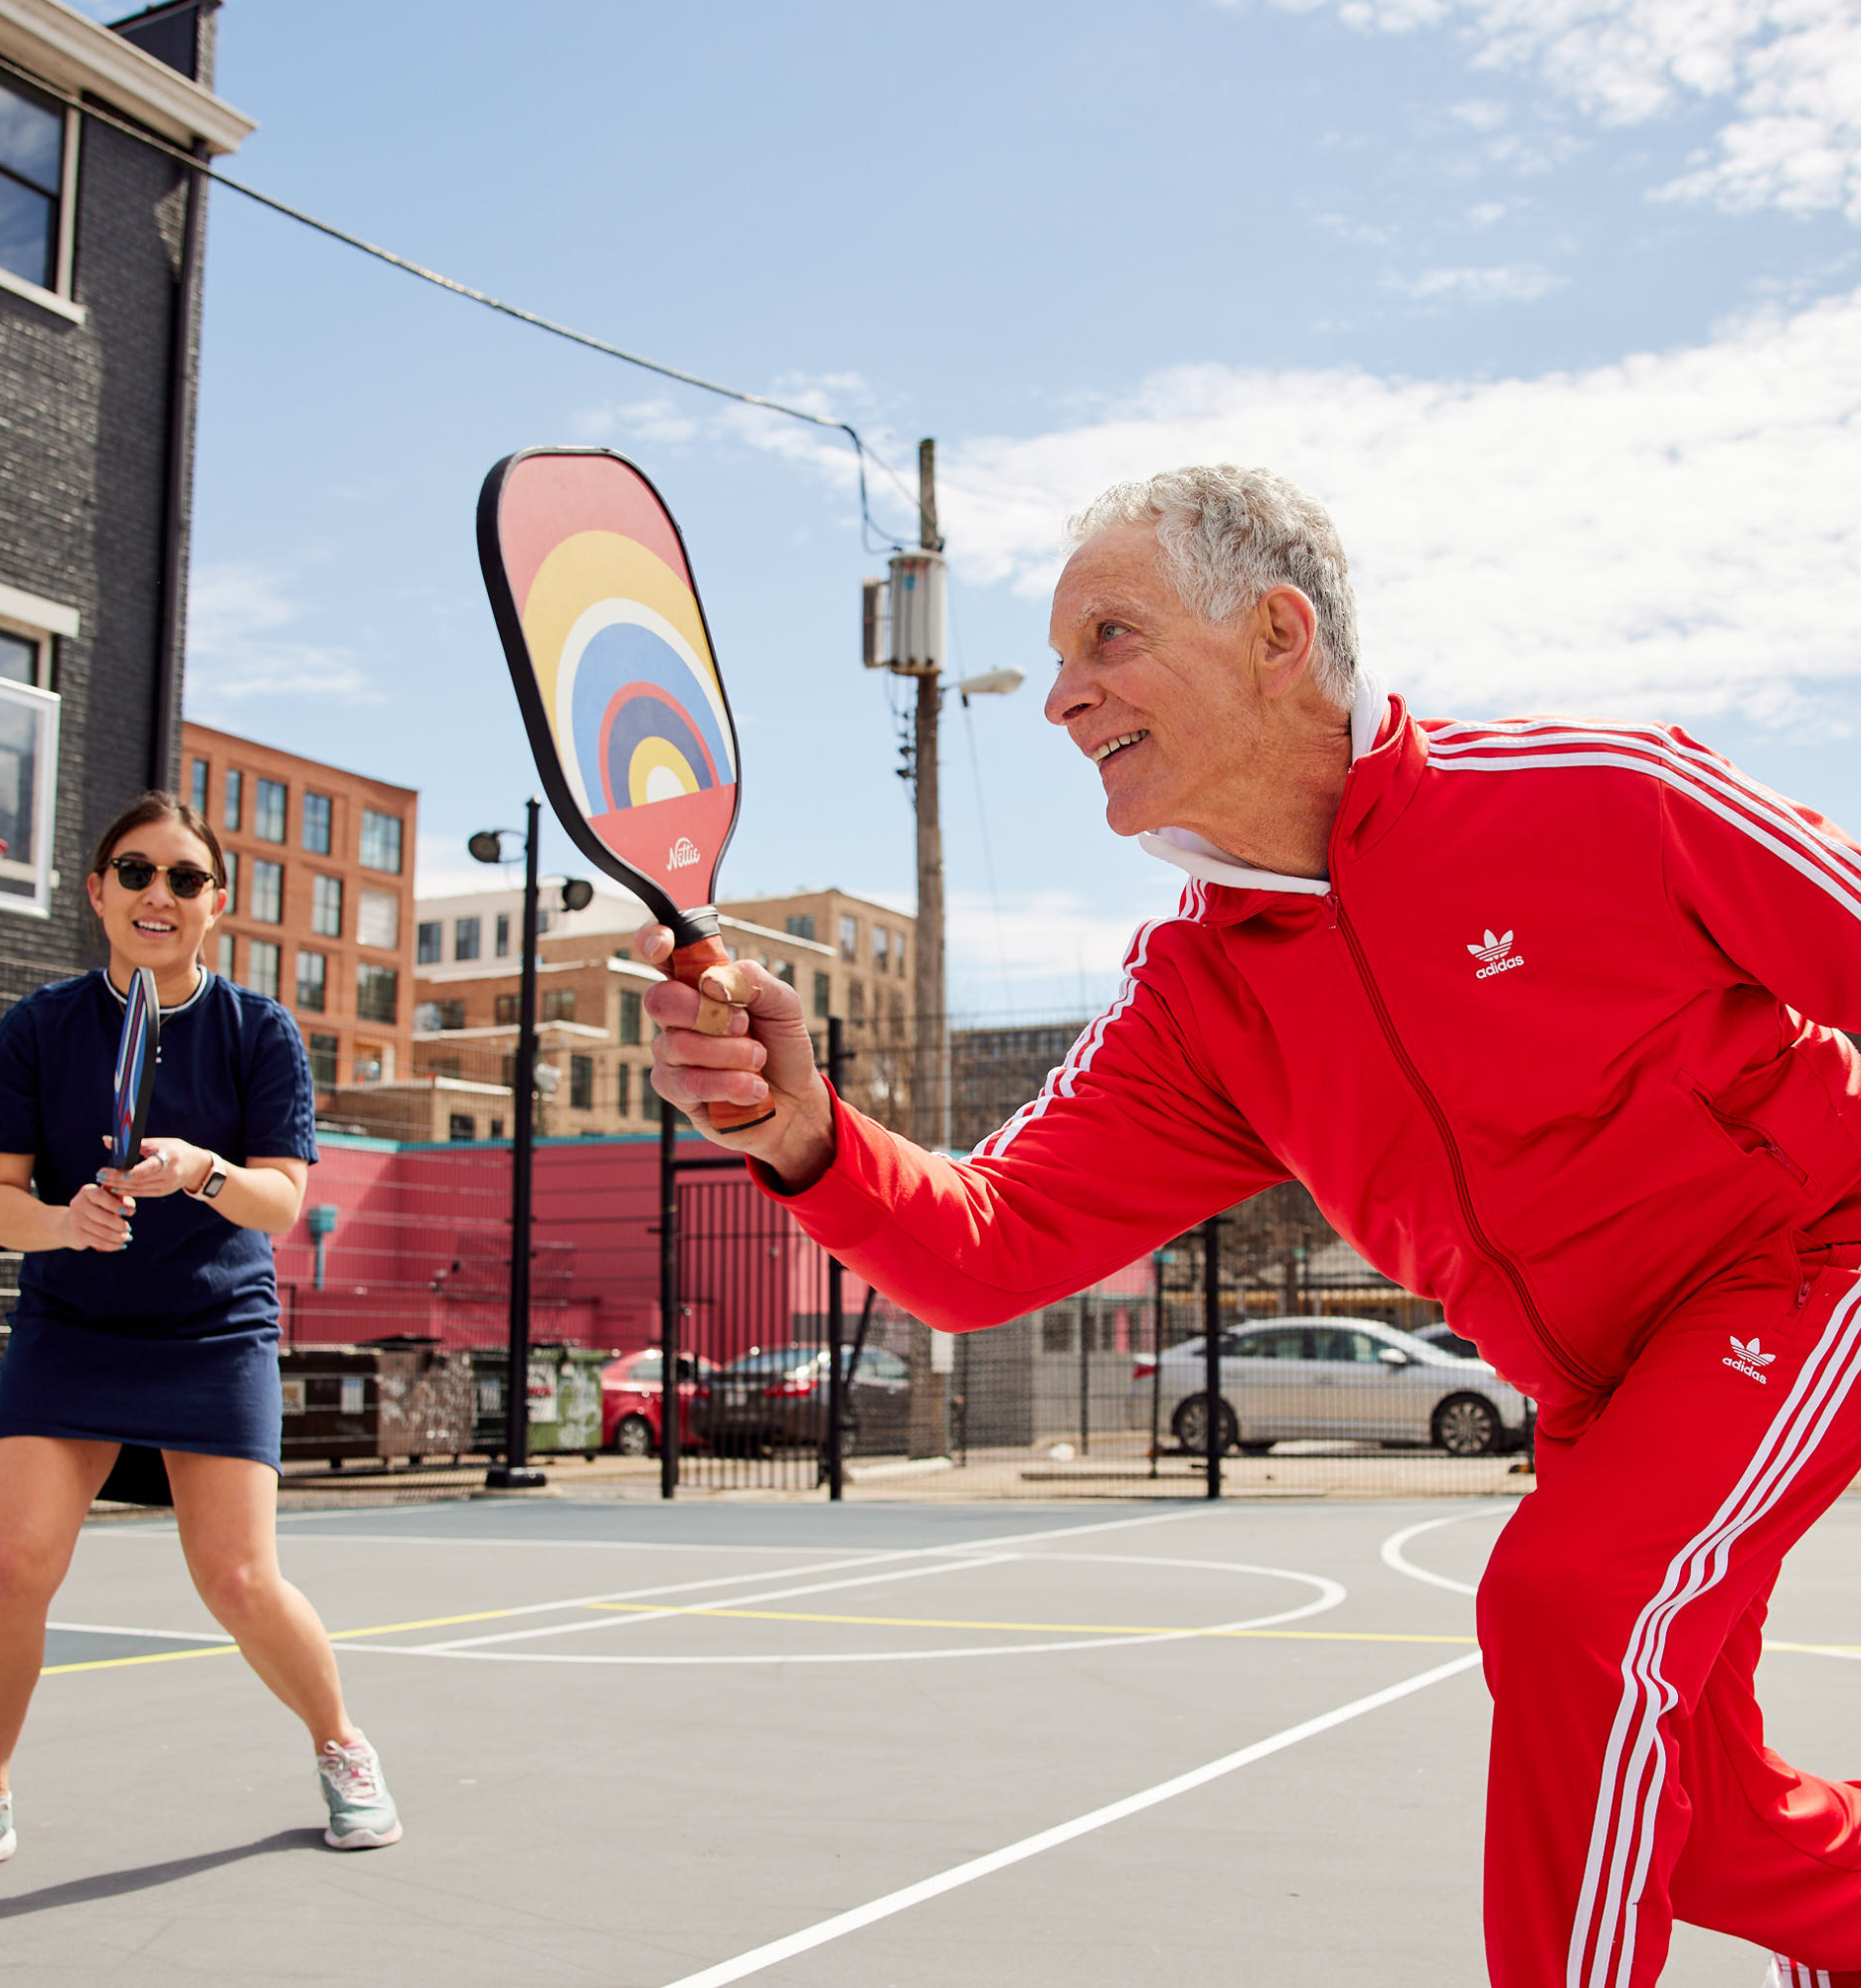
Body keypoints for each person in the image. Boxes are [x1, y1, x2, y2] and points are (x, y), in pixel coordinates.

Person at [643, 466, 1861, 1988]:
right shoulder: (1202, 1000)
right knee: (1705, 1822)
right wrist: (805, 1133)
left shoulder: (1604, 796)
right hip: (1601, 1391)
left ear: (1278, 634)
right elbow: (985, 1246)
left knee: (1569, 1610)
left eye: (1109, 637)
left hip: (1811, 1261)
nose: (1060, 695)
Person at [0, 793, 400, 1889]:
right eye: (135, 872)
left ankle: (340, 1744)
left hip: (211, 1328)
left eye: (183, 877)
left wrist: (202, 1169)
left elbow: (277, 1201)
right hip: (70, 1327)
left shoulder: (260, 1031)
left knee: (235, 1575)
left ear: (217, 901)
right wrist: (64, 1223)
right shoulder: (37, 1025)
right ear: (97, 891)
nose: (157, 895)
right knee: (12, 1561)